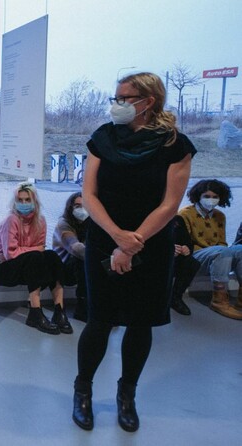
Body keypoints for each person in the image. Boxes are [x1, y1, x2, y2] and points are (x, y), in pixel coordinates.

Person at [72, 72, 194, 433]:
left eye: (124, 98)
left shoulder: (175, 145)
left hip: (152, 244)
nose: (117, 105)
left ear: (148, 101)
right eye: (116, 98)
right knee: (100, 320)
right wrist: (117, 237)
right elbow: (89, 195)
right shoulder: (103, 138)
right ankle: (82, 391)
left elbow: (170, 204)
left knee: (141, 323)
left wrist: (134, 240)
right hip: (103, 238)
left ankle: (127, 395)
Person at [0, 182, 72, 335]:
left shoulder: (40, 220)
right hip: (2, 267)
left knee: (52, 256)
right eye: (20, 200)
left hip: (27, 266)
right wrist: (35, 249)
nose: (24, 203)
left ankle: (59, 310)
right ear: (15, 202)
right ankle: (35, 312)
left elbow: (42, 248)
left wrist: (36, 250)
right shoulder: (12, 220)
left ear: (34, 201)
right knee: (35, 256)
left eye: (27, 200)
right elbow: (10, 254)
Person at [178, 179, 242, 319]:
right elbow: (184, 243)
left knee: (240, 249)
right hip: (195, 256)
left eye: (215, 197)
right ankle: (219, 300)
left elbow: (222, 242)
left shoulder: (220, 216)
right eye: (207, 196)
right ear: (198, 196)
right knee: (222, 251)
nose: (211, 200)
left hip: (217, 254)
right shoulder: (185, 214)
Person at [53, 191, 90, 322]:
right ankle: (82, 308)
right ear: (70, 207)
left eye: (85, 206)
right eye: (77, 206)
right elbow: (75, 248)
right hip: (63, 268)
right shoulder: (63, 224)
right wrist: (98, 257)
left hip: (84, 262)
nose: (82, 209)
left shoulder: (91, 222)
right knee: (81, 261)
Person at [169, 215, 200, 316]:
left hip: (175, 258)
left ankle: (176, 297)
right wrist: (168, 249)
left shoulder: (177, 219)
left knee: (191, 263)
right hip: (156, 257)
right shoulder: (148, 217)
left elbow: (188, 242)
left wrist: (186, 249)